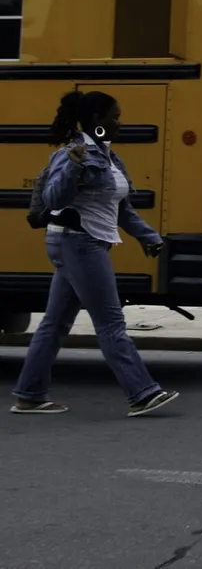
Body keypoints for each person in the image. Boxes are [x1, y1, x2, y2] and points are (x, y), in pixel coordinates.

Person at [10, 90, 180, 417]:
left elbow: (122, 207)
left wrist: (148, 236)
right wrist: (73, 167)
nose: (119, 124)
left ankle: (29, 395)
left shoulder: (108, 155)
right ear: (97, 120)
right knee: (110, 322)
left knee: (55, 323)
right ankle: (142, 393)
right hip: (78, 241)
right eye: (115, 118)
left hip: (84, 242)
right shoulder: (74, 153)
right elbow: (54, 198)